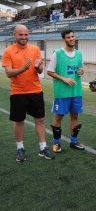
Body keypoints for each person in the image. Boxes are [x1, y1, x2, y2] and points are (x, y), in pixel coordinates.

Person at [2, 25, 55, 161]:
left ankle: (43, 148)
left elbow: (40, 70)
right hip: (18, 92)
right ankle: (20, 148)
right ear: (14, 35)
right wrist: (23, 68)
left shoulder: (35, 49)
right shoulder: (8, 51)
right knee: (19, 121)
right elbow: (8, 73)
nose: (24, 37)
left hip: (35, 91)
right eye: (21, 35)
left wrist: (38, 67)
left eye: (26, 34)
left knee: (41, 119)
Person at [47, 29, 85, 153]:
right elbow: (49, 71)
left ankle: (74, 141)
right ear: (64, 39)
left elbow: (81, 69)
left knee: (75, 116)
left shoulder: (79, 54)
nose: (71, 39)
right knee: (59, 116)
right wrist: (63, 78)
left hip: (76, 91)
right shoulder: (57, 53)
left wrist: (81, 72)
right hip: (62, 92)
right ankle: (56, 143)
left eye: (72, 36)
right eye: (68, 37)